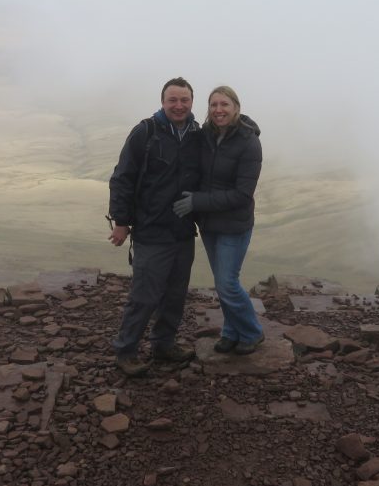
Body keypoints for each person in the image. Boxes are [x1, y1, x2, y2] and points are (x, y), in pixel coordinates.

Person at [108, 78, 203, 377]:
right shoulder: (145, 132)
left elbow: (229, 137)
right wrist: (121, 223)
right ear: (162, 102)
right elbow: (122, 177)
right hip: (151, 229)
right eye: (172, 100)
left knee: (175, 294)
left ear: (191, 102)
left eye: (184, 100)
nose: (179, 106)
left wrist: (249, 125)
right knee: (145, 296)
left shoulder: (196, 134)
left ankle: (164, 345)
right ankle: (126, 351)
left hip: (183, 230)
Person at [173, 86, 264, 355]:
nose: (218, 110)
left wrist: (197, 201)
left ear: (236, 107)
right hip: (210, 224)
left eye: (224, 104)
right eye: (213, 105)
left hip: (234, 225)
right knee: (222, 282)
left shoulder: (249, 142)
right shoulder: (206, 136)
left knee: (227, 283)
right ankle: (230, 332)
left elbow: (242, 194)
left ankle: (252, 332)